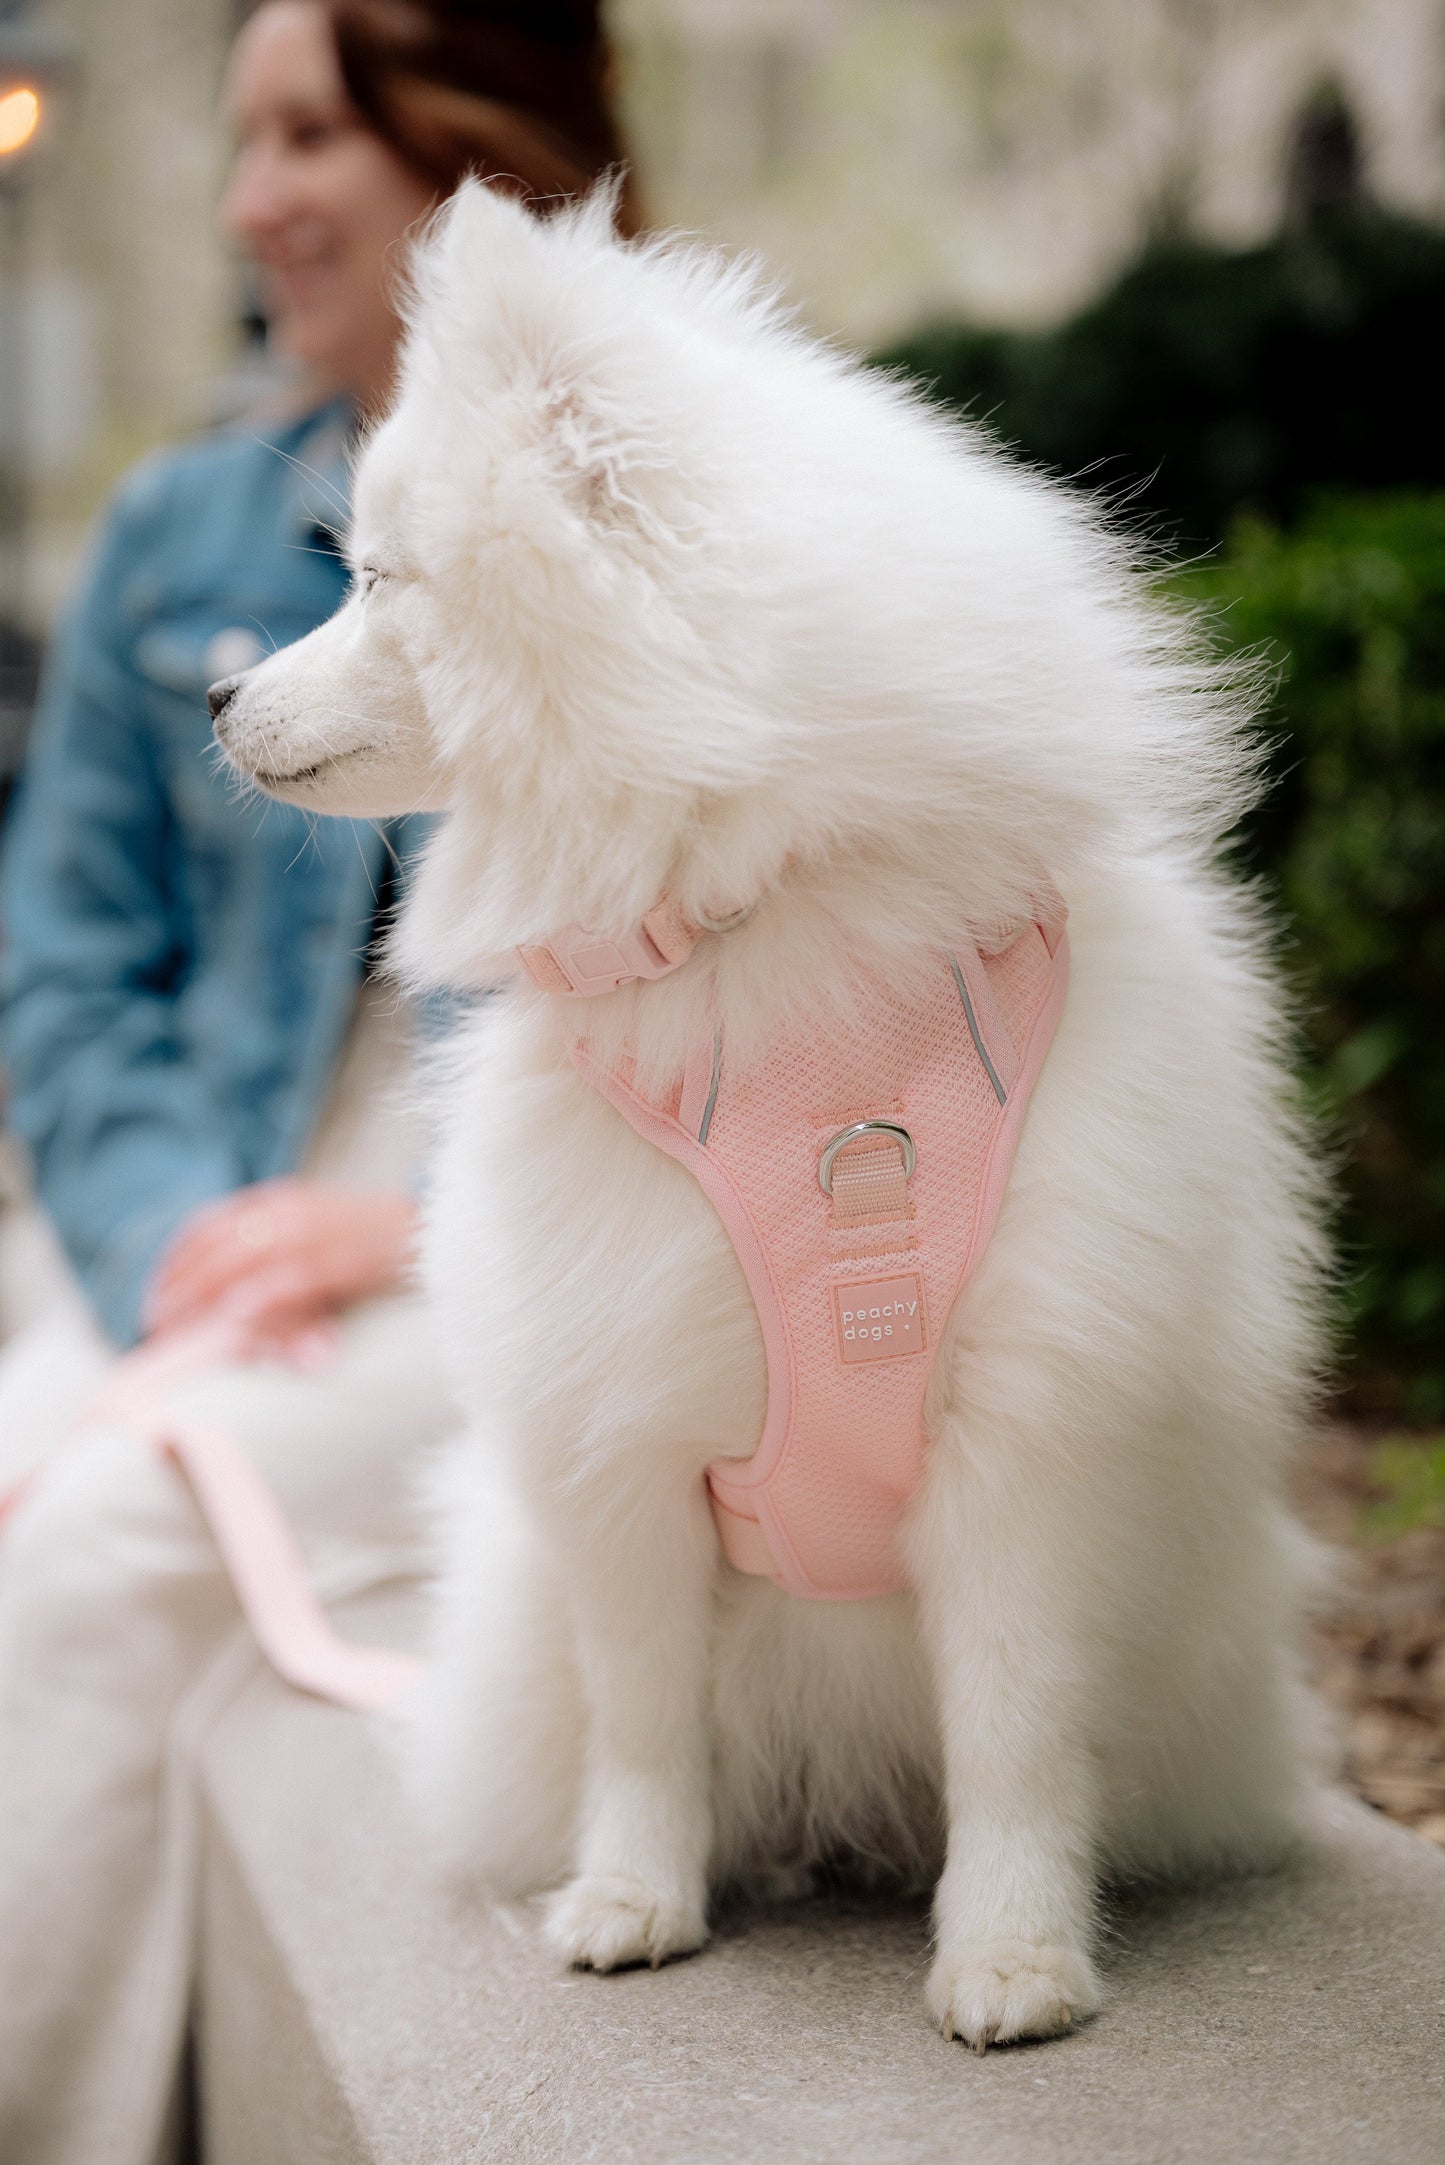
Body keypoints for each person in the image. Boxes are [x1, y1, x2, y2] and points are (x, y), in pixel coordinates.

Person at [0, 6, 634, 2160]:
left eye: (302, 136)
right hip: (218, 1217)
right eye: (239, 137)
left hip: (539, 1252)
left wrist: (414, 1227)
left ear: (472, 146)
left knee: (108, 1543)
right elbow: (69, 964)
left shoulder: (651, 518)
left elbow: (756, 983)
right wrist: (182, 1237)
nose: (245, 200)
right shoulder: (175, 531)